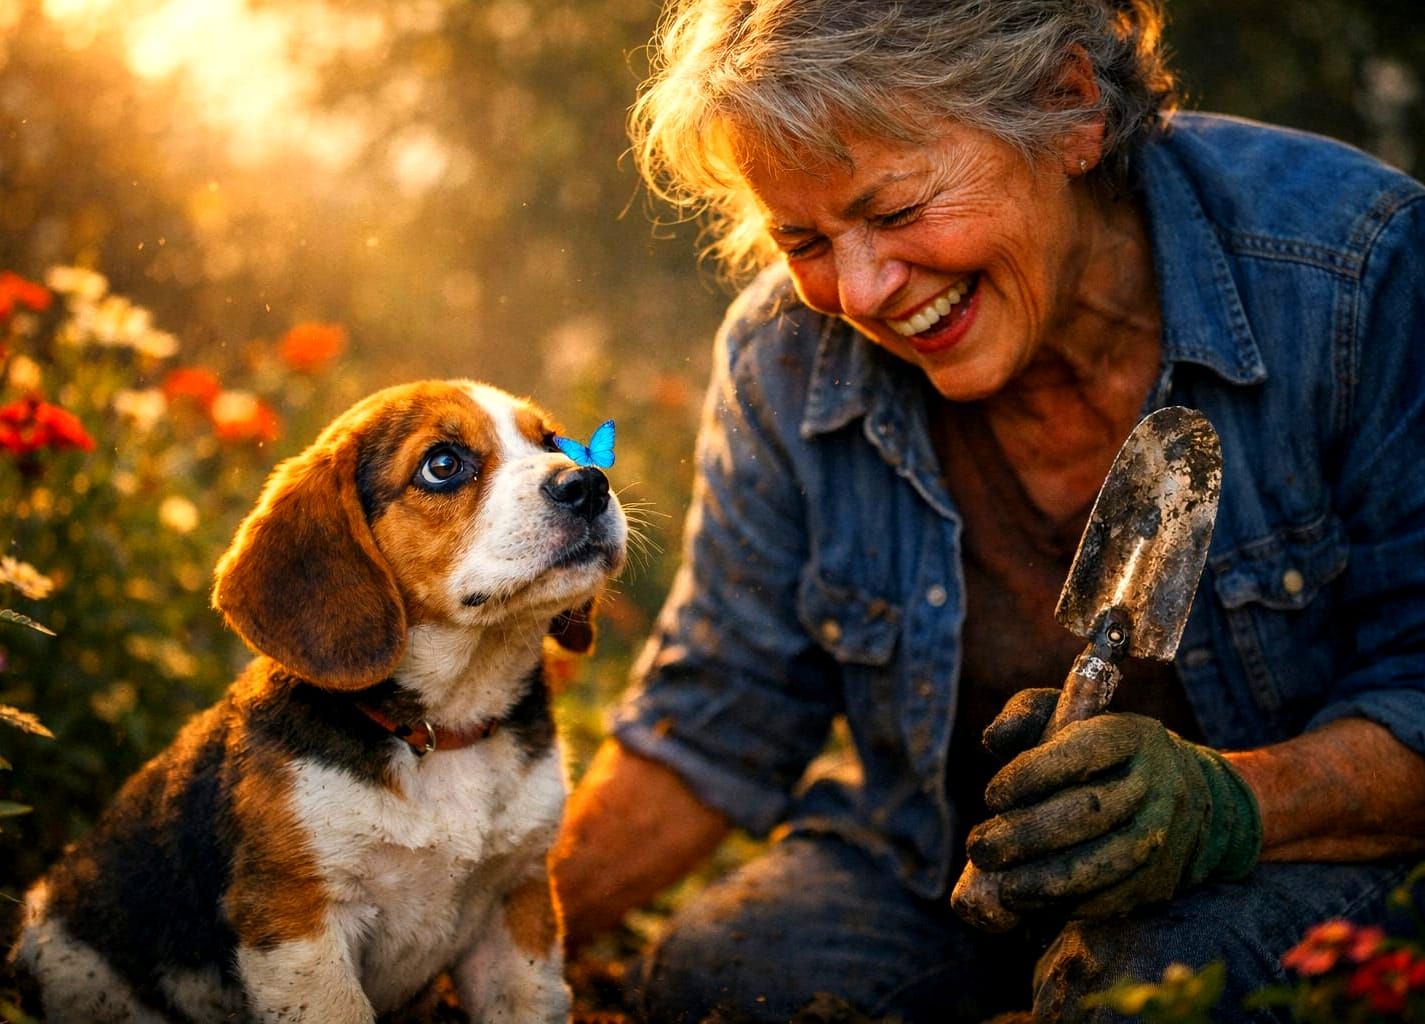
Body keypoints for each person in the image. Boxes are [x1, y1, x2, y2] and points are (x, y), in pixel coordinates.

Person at [550, 1, 1425, 1020]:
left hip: (1298, 856)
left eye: (895, 210)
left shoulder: (1357, 272)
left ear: (1068, 109)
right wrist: (467, 942)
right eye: (805, 238)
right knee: (734, 975)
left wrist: (1229, 804)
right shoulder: (787, 356)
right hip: (945, 863)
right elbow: (716, 720)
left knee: (1141, 993)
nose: (866, 290)